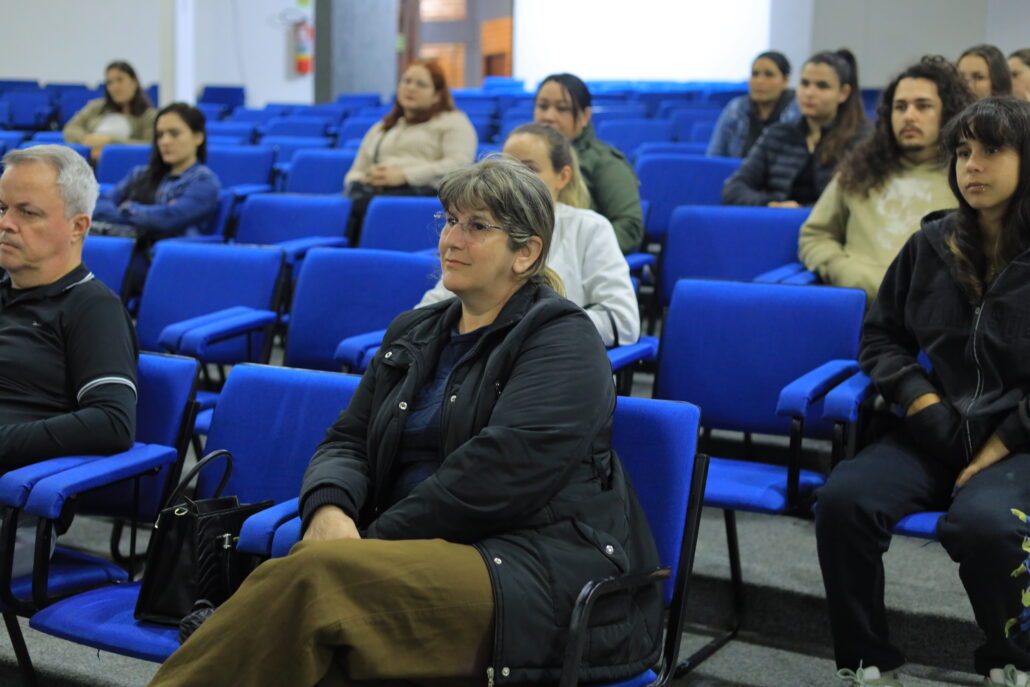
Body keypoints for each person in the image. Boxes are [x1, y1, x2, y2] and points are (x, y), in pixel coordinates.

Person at [147, 157, 662, 687]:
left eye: (476, 226)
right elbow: (348, 439)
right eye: (450, 220)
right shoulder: (416, 330)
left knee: (313, 589)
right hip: (413, 550)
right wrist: (329, 509)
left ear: (525, 252)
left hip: (528, 565)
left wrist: (366, 544)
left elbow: (496, 478)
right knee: (306, 632)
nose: (451, 239)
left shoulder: (562, 339)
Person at [816, 97, 1030, 687]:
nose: (972, 165)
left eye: (992, 150)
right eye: (962, 152)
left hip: (1018, 443)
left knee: (986, 525)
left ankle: (1013, 660)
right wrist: (920, 398)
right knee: (844, 501)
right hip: (935, 429)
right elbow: (880, 337)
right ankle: (866, 660)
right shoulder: (932, 244)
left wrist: (997, 447)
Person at [0, 145, 138, 576]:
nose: (5, 223)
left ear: (78, 226)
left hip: (13, 510)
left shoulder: (92, 308)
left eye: (27, 212)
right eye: (2, 208)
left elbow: (112, 422)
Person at [418, 123, 640, 347]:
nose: (514, 180)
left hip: (553, 355)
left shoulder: (589, 228)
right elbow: (431, 310)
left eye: (529, 169)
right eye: (506, 169)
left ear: (563, 177)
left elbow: (622, 322)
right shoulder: (473, 234)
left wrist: (529, 327)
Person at [798, 56, 975, 303]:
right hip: (859, 304)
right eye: (900, 107)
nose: (909, 116)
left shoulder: (970, 176)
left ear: (949, 113)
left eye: (923, 106)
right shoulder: (858, 170)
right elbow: (815, 235)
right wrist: (841, 269)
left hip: (935, 310)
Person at [343, 58, 477, 244]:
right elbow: (355, 171)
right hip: (371, 195)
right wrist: (364, 178)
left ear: (437, 95)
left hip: (420, 200)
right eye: (406, 81)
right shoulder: (383, 127)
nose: (411, 88)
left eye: (421, 84)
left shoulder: (454, 122)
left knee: (370, 208)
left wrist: (404, 176)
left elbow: (459, 166)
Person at [722, 49, 867, 207]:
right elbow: (733, 188)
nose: (809, 93)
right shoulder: (778, 135)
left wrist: (802, 210)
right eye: (804, 83)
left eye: (822, 86)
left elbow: (855, 200)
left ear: (843, 93)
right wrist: (771, 204)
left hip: (827, 222)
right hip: (778, 218)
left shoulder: (861, 142)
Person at [534, 73, 644, 253]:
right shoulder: (521, 155)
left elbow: (629, 228)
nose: (549, 116)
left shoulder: (605, 162)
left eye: (562, 108)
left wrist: (578, 251)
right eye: (542, 106)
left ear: (585, 116)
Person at [92, 102, 220, 240]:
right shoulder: (139, 174)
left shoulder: (204, 182)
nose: (165, 141)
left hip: (166, 251)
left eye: (174, 134)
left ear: (198, 137)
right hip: (126, 245)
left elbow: (168, 219)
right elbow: (97, 206)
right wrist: (144, 217)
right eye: (160, 135)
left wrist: (127, 208)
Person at [708, 50, 801, 158]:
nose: (759, 81)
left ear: (785, 80)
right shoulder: (736, 109)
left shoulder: (798, 111)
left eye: (769, 75)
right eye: (755, 74)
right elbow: (715, 155)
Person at [62, 60, 157, 163]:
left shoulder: (149, 115)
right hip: (88, 161)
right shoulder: (95, 107)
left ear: (134, 83)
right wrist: (86, 140)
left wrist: (109, 144)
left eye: (120, 80)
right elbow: (71, 128)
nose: (114, 87)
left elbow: (148, 145)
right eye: (110, 82)